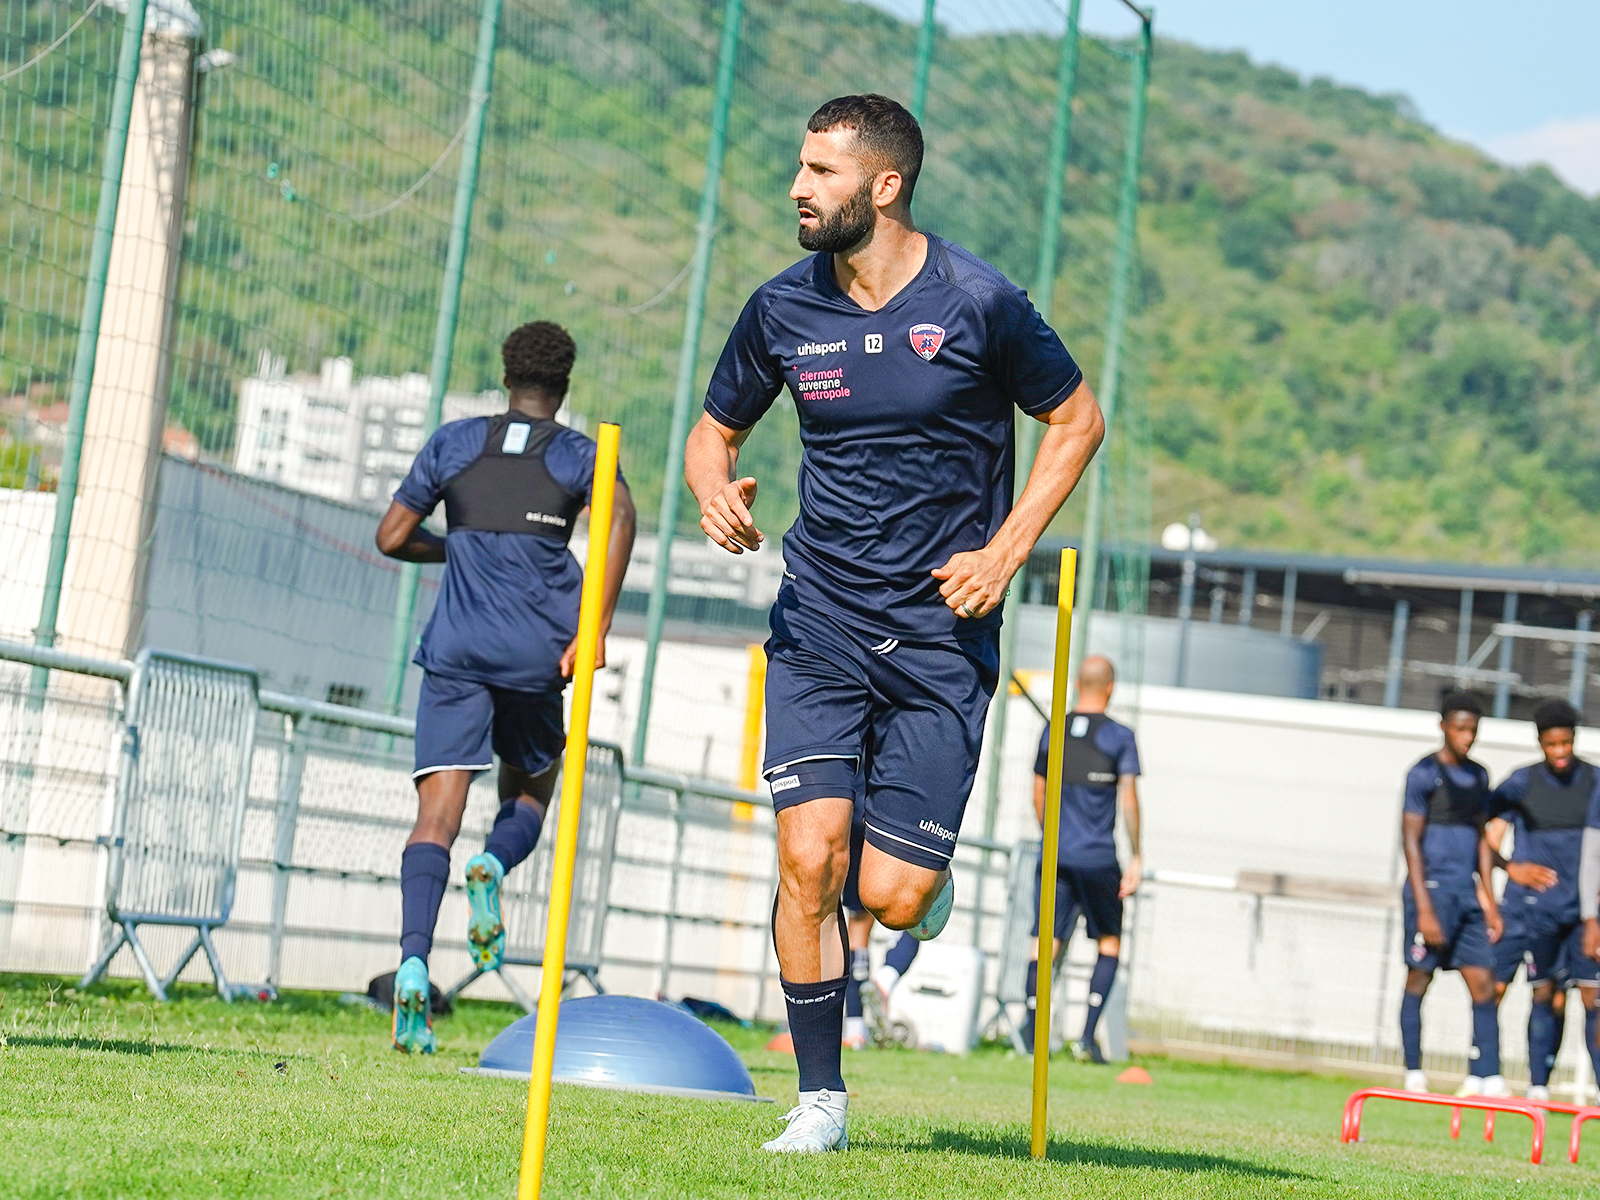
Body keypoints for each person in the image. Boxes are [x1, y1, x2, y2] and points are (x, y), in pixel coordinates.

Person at [686, 94, 1102, 1152]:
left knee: (893, 896)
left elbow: (1076, 419)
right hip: (820, 618)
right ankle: (819, 1101)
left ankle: (918, 871)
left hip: (937, 637)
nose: (798, 188)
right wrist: (713, 488)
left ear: (885, 185)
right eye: (799, 166)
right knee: (808, 859)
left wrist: (1004, 553)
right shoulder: (780, 309)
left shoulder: (979, 302)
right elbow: (712, 430)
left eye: (821, 171)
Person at [374, 321, 636, 1054]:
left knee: (435, 817)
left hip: (455, 651)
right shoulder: (579, 453)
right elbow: (620, 517)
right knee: (530, 788)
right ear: (564, 385)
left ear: (505, 376)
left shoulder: (455, 442)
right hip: (536, 654)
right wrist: (595, 626)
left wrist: (456, 546)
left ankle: (414, 962)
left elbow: (390, 535)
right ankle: (493, 863)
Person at [1021, 655, 1140, 1063]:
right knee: (1108, 942)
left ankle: (1031, 1038)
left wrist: (1052, 837)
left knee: (1045, 942)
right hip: (1098, 858)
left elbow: (1038, 793)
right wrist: (1137, 856)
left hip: (1055, 855)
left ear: (1076, 685)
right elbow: (1129, 801)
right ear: (1110, 688)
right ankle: (1086, 1039)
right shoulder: (1121, 737)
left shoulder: (1053, 730)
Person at [1397, 692, 1504, 1096]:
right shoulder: (1424, 773)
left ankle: (1487, 1076)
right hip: (1431, 894)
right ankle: (1413, 1072)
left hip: (1467, 896)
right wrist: (1424, 908)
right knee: (1419, 978)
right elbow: (1410, 842)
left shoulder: (1479, 776)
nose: (1467, 737)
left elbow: (1482, 839)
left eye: (1473, 730)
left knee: (1484, 981)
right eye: (1460, 729)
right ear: (1444, 726)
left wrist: (1489, 901)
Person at [1493, 700, 1600, 1097]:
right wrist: (1510, 867)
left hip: (1584, 913)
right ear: (1540, 742)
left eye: (1566, 743)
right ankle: (1536, 1088)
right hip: (1536, 911)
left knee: (1592, 999)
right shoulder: (1522, 782)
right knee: (1545, 996)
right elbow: (1483, 831)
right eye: (1551, 744)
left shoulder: (1594, 781)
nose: (1560, 752)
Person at [840, 819, 920, 1049]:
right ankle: (884, 981)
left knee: (858, 925)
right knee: (917, 915)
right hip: (899, 824)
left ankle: (855, 1031)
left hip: (860, 820)